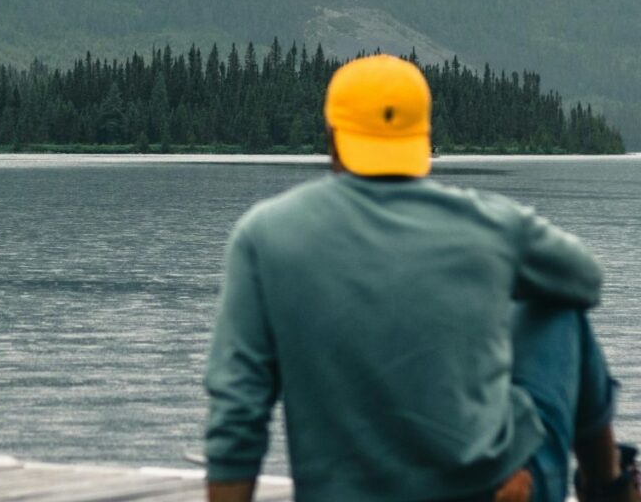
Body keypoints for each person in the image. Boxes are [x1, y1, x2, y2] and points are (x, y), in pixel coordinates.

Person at [204, 54, 638, 502]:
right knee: (558, 312)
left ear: (333, 136)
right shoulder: (489, 223)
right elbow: (584, 280)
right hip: (497, 491)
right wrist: (492, 282)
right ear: (423, 137)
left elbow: (238, 409)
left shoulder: (265, 234)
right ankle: (611, 486)